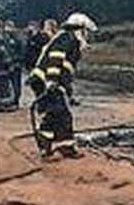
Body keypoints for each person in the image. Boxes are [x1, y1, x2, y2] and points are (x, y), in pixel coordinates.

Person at [29, 12, 96, 159]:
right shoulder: (68, 38)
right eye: (87, 32)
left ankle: (63, 147)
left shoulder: (68, 39)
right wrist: (52, 81)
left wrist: (68, 92)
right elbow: (56, 58)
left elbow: (65, 72)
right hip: (45, 81)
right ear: (81, 29)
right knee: (57, 113)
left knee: (58, 114)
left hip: (46, 81)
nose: (88, 37)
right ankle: (51, 148)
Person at [3, 20, 26, 107]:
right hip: (7, 64)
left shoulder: (17, 37)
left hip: (16, 64)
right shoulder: (4, 37)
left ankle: (16, 100)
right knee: (8, 84)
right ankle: (10, 100)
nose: (7, 29)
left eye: (9, 26)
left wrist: (18, 60)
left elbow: (21, 50)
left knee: (16, 83)